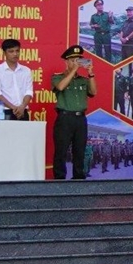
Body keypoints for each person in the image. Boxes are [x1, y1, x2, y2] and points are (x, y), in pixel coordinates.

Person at [52, 46, 95, 179]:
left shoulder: (83, 80)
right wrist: (73, 71)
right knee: (61, 151)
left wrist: (91, 74)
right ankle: (59, 180)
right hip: (65, 118)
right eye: (73, 60)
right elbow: (60, 87)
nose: (76, 63)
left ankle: (78, 178)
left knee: (80, 150)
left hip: (80, 119)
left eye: (79, 60)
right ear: (67, 62)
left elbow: (93, 92)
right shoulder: (57, 77)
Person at [0, 39, 35, 120]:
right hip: (4, 112)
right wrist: (14, 108)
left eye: (17, 51)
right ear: (4, 53)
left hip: (23, 111)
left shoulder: (26, 70)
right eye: (11, 51)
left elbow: (29, 91)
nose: (15, 54)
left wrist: (22, 107)